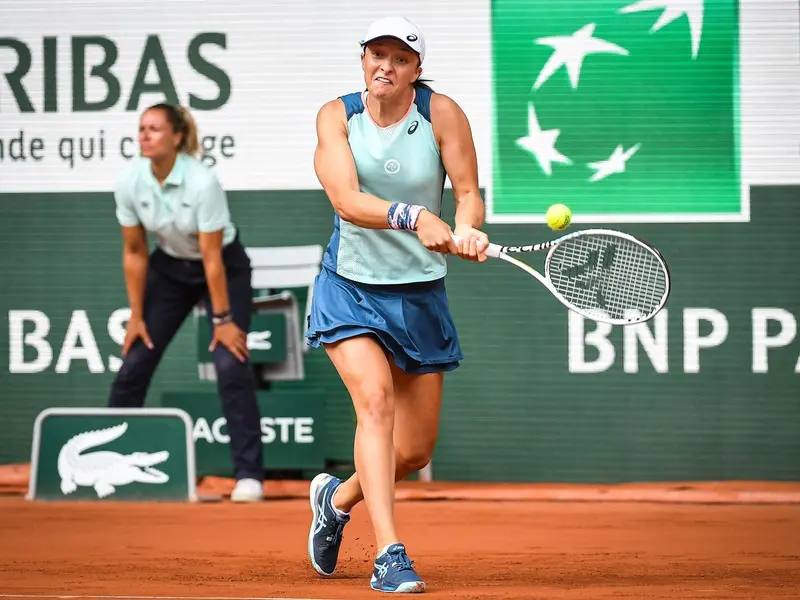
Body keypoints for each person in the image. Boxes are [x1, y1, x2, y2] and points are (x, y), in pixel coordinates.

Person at [305, 16, 489, 594]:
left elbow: (466, 193)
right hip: (351, 288)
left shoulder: (441, 113)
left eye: (400, 58)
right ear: (363, 60)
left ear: (415, 71)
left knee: (411, 451)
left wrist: (467, 229)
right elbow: (346, 199)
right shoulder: (337, 116)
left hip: (418, 295)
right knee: (375, 405)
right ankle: (389, 554)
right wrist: (416, 217)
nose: (385, 65)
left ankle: (335, 500)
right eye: (375, 54)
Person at [107, 102, 265, 503]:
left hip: (223, 267)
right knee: (135, 360)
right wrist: (137, 316)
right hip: (170, 269)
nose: (144, 135)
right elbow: (134, 251)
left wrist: (224, 318)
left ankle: (249, 477)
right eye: (141, 128)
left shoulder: (202, 182)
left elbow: (211, 257)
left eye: (154, 129)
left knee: (230, 363)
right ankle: (113, 465)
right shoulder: (130, 181)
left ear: (177, 137)